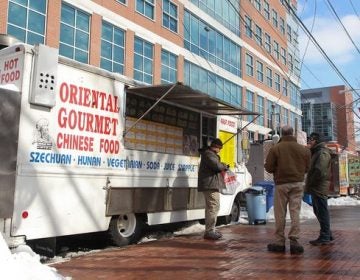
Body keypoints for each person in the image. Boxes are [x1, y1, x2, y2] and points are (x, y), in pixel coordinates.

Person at [264, 126, 311, 254]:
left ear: (282, 134)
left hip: (281, 184)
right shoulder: (303, 149)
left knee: (280, 213)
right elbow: (308, 167)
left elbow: (268, 167)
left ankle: (280, 242)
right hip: (297, 183)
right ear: (292, 134)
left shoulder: (276, 148)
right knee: (295, 212)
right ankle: (294, 241)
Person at [305, 132, 334, 245]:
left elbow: (319, 171)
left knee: (322, 211)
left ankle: (325, 236)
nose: (309, 142)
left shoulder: (322, 153)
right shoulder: (317, 152)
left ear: (316, 140)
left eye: (310, 140)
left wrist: (311, 182)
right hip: (317, 186)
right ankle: (327, 234)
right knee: (318, 210)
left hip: (319, 186)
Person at [198, 138, 229, 240]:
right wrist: (225, 165)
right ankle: (210, 231)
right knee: (213, 207)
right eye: (220, 148)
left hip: (210, 184)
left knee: (212, 207)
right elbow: (217, 166)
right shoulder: (209, 154)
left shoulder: (209, 154)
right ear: (216, 147)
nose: (220, 151)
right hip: (210, 185)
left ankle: (210, 229)